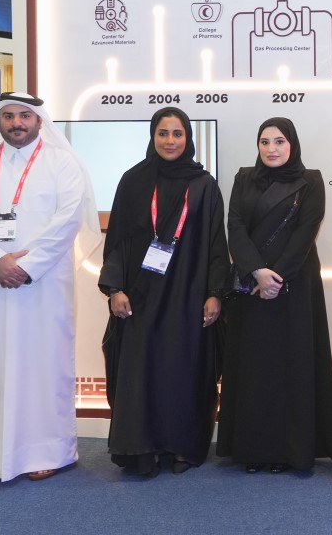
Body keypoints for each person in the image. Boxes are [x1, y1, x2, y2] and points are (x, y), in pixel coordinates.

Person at [0, 92, 100, 485]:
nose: (16, 123)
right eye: (8, 116)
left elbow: (68, 219)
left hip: (42, 284)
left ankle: (45, 451)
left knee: (41, 365)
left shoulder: (62, 162)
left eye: (24, 116)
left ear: (39, 120)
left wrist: (26, 267)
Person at [99, 107, 231, 477]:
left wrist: (215, 293)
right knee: (140, 372)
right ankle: (142, 448)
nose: (170, 141)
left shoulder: (204, 185)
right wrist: (115, 288)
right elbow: (117, 241)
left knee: (183, 370)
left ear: (188, 138)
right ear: (152, 136)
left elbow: (216, 244)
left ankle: (181, 446)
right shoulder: (133, 181)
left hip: (188, 294)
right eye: (162, 133)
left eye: (177, 133)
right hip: (140, 296)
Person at [217, 118, 332, 473]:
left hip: (294, 286)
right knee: (254, 367)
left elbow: (306, 233)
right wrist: (257, 271)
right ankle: (252, 449)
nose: (271, 149)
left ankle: (290, 451)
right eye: (265, 142)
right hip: (251, 286)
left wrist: (276, 277)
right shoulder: (244, 178)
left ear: (292, 144)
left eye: (279, 141)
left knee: (291, 365)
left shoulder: (311, 180)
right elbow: (235, 226)